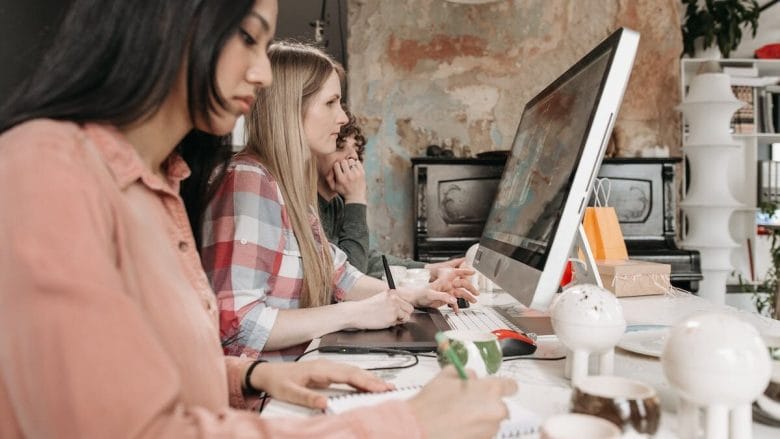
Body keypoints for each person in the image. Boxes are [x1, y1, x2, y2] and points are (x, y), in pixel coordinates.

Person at [0, 1, 516, 437]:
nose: (263, 72)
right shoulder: (47, 169)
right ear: (168, 20)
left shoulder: (162, 186)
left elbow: (150, 370)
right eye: (249, 37)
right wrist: (408, 423)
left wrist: (251, 377)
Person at [195, 41, 479, 359]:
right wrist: (354, 314)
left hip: (305, 371)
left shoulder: (289, 188)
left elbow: (340, 275)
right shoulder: (249, 181)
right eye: (331, 102)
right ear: (290, 108)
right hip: (265, 398)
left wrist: (416, 296)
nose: (343, 117)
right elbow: (236, 325)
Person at [316, 110, 465, 278]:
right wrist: (355, 198)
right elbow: (350, 277)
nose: (353, 157)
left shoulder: (335, 204)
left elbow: (364, 260)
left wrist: (429, 269)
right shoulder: (309, 206)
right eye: (340, 147)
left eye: (356, 149)